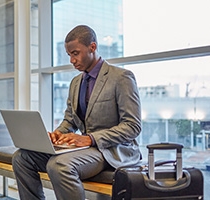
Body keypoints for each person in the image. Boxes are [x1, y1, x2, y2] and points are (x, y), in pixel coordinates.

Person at [12, 25, 142, 200]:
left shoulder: (121, 77)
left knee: (59, 165)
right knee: (22, 157)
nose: (72, 60)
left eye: (75, 53)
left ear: (92, 47)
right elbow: (70, 120)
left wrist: (90, 138)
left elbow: (132, 126)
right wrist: (58, 134)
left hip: (113, 150)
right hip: (86, 149)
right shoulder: (75, 83)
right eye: (69, 55)